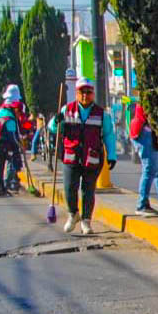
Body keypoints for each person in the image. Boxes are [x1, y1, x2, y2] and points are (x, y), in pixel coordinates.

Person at [56, 78, 117, 236]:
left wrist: (112, 155)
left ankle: (86, 221)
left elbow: (109, 135)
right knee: (69, 188)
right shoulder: (66, 110)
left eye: (88, 92)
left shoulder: (102, 114)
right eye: (82, 92)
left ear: (93, 94)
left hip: (92, 157)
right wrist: (57, 123)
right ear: (76, 94)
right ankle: (73, 213)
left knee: (88, 191)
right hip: (71, 157)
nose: (85, 95)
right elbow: (53, 128)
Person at [0, 89, 27, 197]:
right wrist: (19, 146)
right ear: (16, 109)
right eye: (19, 112)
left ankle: (2, 188)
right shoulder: (10, 118)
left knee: (0, 168)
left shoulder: (2, 111)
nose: (19, 115)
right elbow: (12, 137)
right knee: (1, 168)